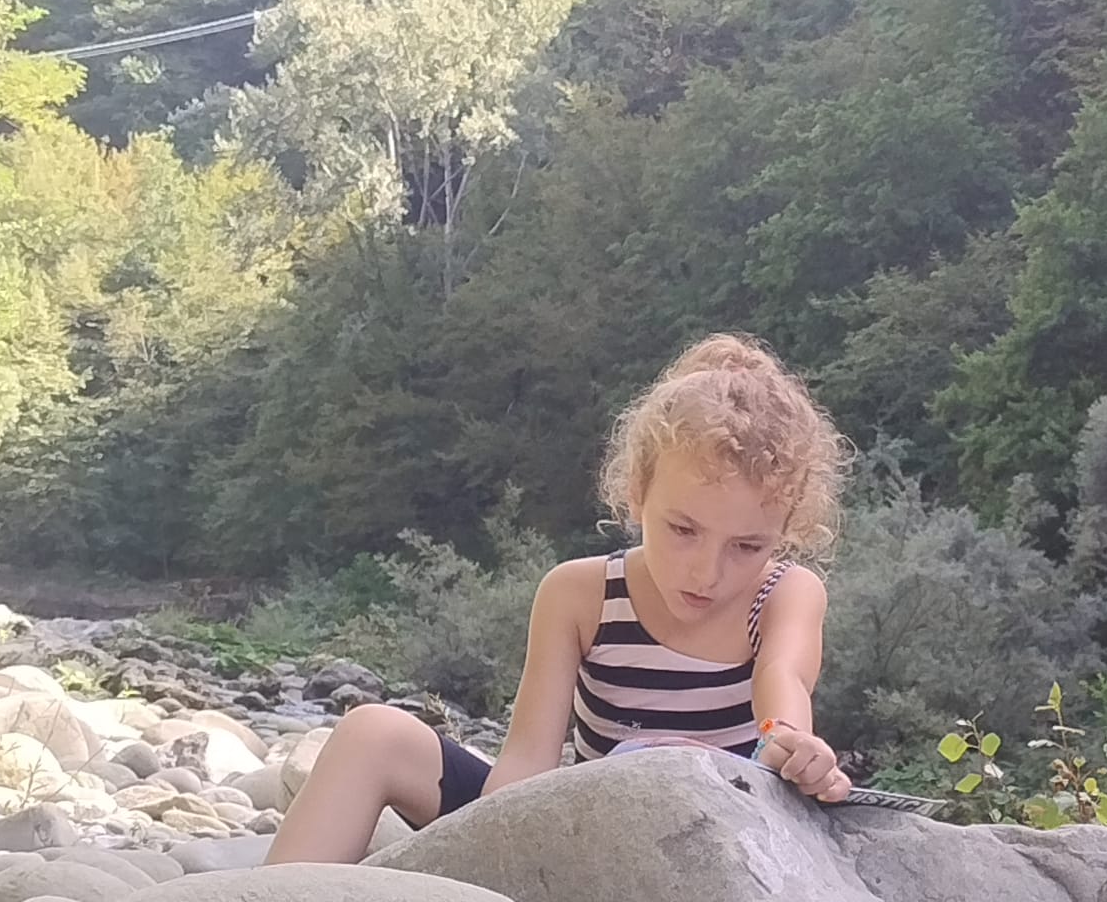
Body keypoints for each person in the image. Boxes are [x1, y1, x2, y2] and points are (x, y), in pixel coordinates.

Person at [265, 334, 854, 864]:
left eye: (747, 546)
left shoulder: (783, 594)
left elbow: (781, 685)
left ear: (785, 533)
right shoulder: (581, 594)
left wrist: (788, 746)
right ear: (637, 493)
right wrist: (497, 857)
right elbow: (526, 765)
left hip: (717, 849)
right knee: (371, 733)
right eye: (683, 529)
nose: (707, 572)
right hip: (582, 837)